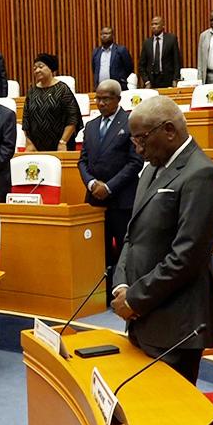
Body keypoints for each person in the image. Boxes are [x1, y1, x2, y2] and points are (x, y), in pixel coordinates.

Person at [110, 95, 213, 384]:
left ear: (169, 130)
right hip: (143, 315)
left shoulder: (202, 174)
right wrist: (122, 285)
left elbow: (187, 257)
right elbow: (132, 235)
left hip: (176, 324)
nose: (138, 150)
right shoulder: (151, 169)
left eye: (142, 140)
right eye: (134, 141)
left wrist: (135, 298)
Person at [77, 80, 143, 303]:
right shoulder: (91, 126)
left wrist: (108, 187)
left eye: (106, 99)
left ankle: (127, 296)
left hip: (122, 200)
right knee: (99, 250)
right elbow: (82, 161)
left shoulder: (130, 122)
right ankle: (103, 296)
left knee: (125, 251)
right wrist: (91, 183)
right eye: (98, 98)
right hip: (95, 201)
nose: (101, 103)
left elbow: (135, 163)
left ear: (118, 99)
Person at [21, 53, 82, 151]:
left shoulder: (62, 89)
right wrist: (29, 142)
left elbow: (73, 118)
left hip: (61, 145)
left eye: (41, 67)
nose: (37, 70)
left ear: (50, 68)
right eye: (35, 68)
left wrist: (63, 141)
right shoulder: (32, 92)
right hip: (36, 147)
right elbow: (26, 120)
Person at [138, 17, 182, 88]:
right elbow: (141, 65)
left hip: (168, 80)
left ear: (163, 26)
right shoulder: (147, 42)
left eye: (156, 24)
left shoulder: (171, 39)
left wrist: (175, 79)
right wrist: (146, 81)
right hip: (151, 81)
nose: (153, 26)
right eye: (152, 24)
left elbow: (177, 61)